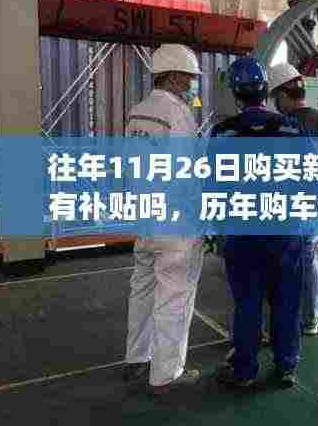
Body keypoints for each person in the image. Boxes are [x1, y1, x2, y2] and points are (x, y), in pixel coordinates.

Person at [210, 56, 306, 388]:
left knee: (247, 303)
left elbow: (213, 185)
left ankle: (245, 370)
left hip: (243, 232)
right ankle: (286, 366)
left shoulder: (223, 133)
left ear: (236, 94)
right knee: (287, 302)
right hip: (285, 230)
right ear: (265, 90)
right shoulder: (291, 128)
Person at [123, 43, 204, 394]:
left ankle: (136, 358)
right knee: (174, 297)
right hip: (175, 222)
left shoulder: (137, 113)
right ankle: (165, 374)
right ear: (172, 76)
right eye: (188, 77)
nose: (192, 84)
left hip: (145, 217)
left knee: (142, 289)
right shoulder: (179, 114)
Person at [268, 62, 318, 336]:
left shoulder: (283, 125)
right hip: (317, 202)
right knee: (309, 258)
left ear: (284, 95)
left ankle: (287, 319)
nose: (275, 104)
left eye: (275, 97)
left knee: (285, 262)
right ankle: (311, 319)